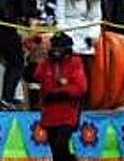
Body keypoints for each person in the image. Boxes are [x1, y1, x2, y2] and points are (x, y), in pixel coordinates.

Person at [33, 32, 88, 161]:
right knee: (55, 151)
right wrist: (34, 56)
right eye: (54, 47)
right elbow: (36, 75)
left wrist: (61, 92)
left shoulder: (75, 62)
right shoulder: (47, 63)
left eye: (59, 48)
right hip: (50, 113)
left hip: (68, 112)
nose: (56, 51)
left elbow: (81, 87)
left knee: (61, 145)